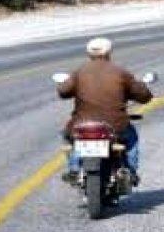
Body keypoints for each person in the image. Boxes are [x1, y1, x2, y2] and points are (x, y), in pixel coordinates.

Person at [57, 37, 153, 185]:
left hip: (82, 123)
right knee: (131, 138)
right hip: (115, 125)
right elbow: (143, 96)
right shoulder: (120, 72)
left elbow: (63, 92)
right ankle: (130, 171)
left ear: (89, 53)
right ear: (109, 52)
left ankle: (74, 168)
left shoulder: (79, 72)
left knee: (70, 137)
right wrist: (142, 91)